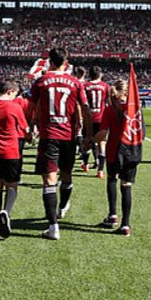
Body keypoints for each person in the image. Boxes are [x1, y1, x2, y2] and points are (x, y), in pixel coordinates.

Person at [29, 47, 91, 241]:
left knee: (49, 180)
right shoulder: (75, 82)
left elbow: (32, 108)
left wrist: (30, 127)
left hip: (49, 136)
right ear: (67, 62)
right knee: (66, 175)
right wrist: (88, 135)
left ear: (49, 61)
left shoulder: (41, 81)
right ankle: (63, 207)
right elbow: (85, 108)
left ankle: (53, 227)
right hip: (68, 136)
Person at [98, 77, 144, 237]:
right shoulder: (135, 110)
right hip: (131, 151)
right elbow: (142, 133)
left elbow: (103, 133)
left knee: (112, 179)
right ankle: (126, 224)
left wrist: (90, 140)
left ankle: (112, 215)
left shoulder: (110, 109)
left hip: (113, 150)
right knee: (127, 186)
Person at [0, 79, 29, 238]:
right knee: (12, 186)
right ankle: (6, 212)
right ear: (10, 91)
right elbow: (25, 127)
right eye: (15, 94)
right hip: (11, 150)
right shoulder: (15, 107)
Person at [82, 67, 110, 177]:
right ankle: (101, 170)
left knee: (87, 142)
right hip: (101, 118)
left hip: (89, 118)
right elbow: (109, 103)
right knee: (102, 143)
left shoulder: (85, 86)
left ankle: (85, 164)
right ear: (99, 74)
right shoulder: (105, 86)